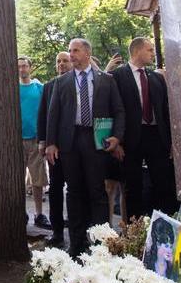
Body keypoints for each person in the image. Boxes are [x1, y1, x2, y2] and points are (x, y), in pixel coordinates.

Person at [45, 38, 125, 258]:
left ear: (87, 53)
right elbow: (53, 114)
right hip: (70, 142)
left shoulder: (105, 80)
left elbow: (118, 110)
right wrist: (50, 143)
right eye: (70, 51)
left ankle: (99, 244)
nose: (71, 55)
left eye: (76, 50)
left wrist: (117, 137)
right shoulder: (62, 82)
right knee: (74, 192)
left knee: (97, 192)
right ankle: (76, 244)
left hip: (96, 141)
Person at [109, 37, 178, 218]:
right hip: (130, 139)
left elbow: (165, 111)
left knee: (162, 183)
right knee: (133, 186)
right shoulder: (118, 76)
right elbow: (112, 110)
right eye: (149, 50)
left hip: (156, 137)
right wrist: (117, 142)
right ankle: (136, 231)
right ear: (137, 51)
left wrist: (171, 141)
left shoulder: (156, 78)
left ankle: (164, 224)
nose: (153, 53)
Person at [36, 51, 72, 248]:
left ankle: (77, 231)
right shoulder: (49, 86)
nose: (61, 64)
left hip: (74, 147)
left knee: (75, 191)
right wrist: (43, 141)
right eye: (58, 61)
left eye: (65, 61)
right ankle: (57, 232)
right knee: (55, 190)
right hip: (54, 148)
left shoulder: (78, 83)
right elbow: (42, 115)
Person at [18, 56, 52, 230]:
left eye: (25, 66)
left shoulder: (40, 88)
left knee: (38, 180)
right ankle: (20, 213)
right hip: (17, 141)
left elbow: (46, 113)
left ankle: (39, 213)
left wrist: (44, 139)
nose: (22, 69)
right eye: (19, 67)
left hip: (36, 140)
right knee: (18, 181)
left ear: (30, 68)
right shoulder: (12, 88)